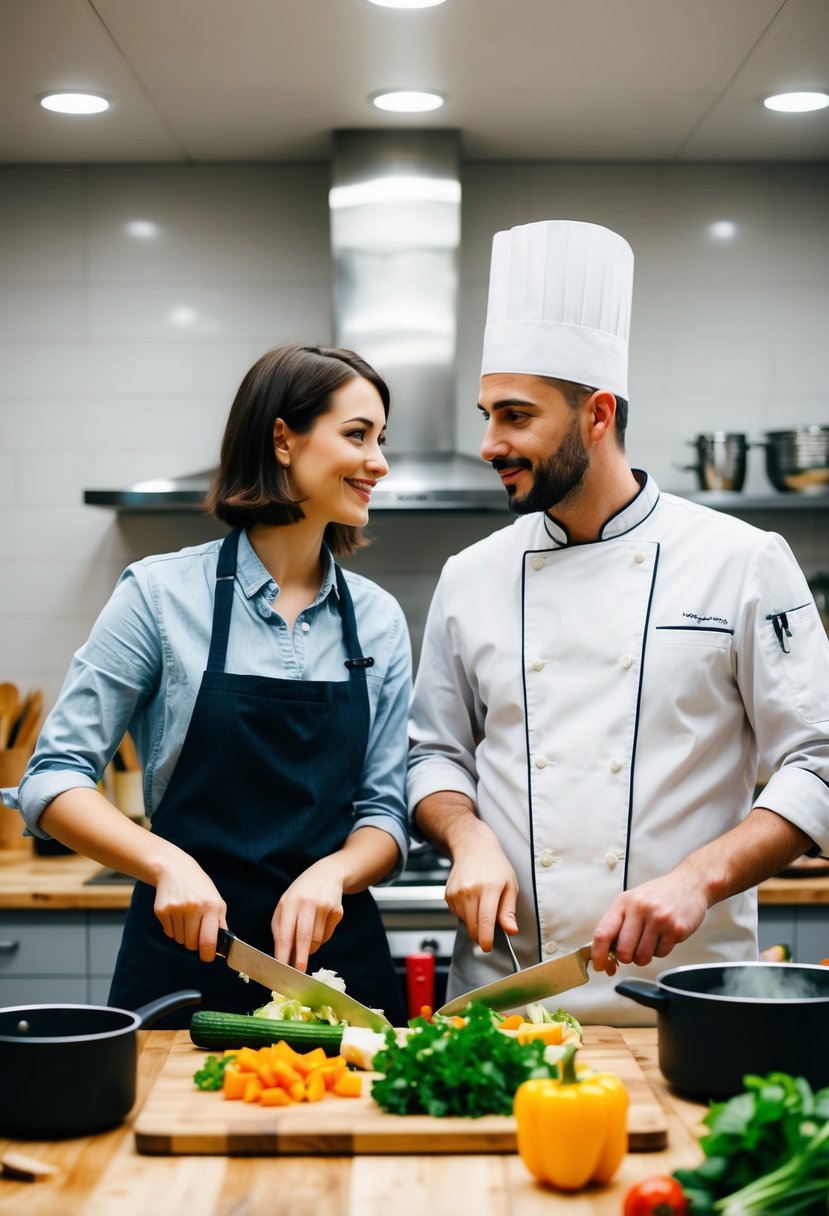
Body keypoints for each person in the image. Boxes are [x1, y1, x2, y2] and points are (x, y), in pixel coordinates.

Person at [407, 220, 829, 1024]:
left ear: (596, 414)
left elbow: (817, 760)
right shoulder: (471, 576)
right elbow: (432, 758)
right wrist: (465, 838)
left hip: (684, 1001)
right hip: (502, 1007)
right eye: (486, 414)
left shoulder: (740, 560)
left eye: (515, 416)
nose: (490, 443)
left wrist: (695, 878)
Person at [10, 343, 411, 1026]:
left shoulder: (375, 618)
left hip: (336, 979)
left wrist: (333, 874)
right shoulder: (158, 597)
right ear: (282, 439)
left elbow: (383, 814)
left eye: (381, 439)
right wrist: (165, 863)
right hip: (182, 969)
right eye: (357, 435)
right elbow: (52, 780)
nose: (378, 461)